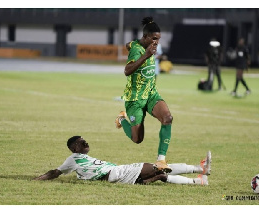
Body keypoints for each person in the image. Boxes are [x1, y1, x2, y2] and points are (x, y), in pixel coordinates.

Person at [115, 17, 173, 173]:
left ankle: (161, 160)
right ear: (146, 37)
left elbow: (129, 44)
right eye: (154, 39)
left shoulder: (140, 44)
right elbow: (127, 71)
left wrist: (131, 45)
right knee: (137, 139)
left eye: (158, 39)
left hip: (150, 94)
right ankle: (121, 118)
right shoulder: (138, 50)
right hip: (135, 100)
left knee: (167, 117)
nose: (157, 42)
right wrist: (145, 55)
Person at [34, 136, 211, 186]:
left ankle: (199, 179)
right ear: (74, 148)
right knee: (159, 167)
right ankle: (198, 169)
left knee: (161, 175)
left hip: (117, 173)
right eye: (80, 142)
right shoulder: (73, 159)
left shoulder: (82, 158)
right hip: (116, 173)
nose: (85, 142)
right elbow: (55, 173)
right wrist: (37, 179)